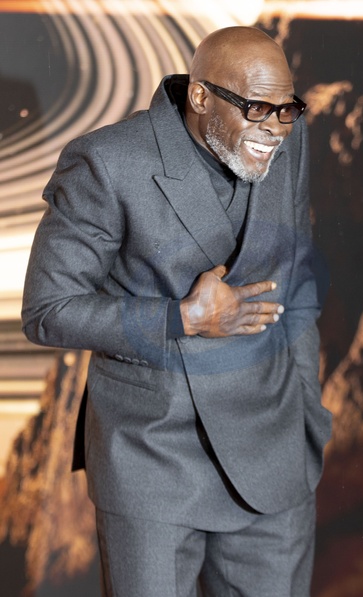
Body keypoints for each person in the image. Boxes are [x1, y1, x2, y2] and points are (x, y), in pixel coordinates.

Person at [22, 26, 332, 597]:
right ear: (200, 96)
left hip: (274, 452)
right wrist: (180, 319)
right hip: (154, 460)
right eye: (257, 109)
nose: (274, 128)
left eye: (287, 109)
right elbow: (49, 310)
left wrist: (308, 411)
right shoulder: (107, 162)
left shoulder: (287, 139)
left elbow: (297, 279)